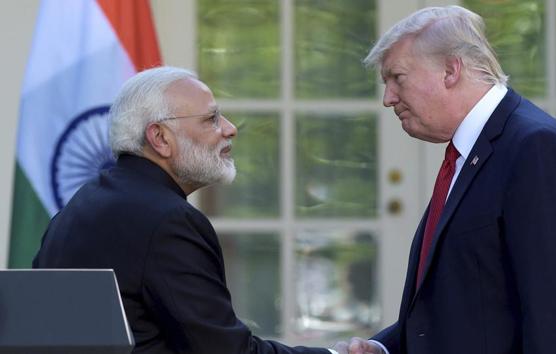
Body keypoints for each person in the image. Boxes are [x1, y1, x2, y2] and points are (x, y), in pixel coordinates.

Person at [335, 5, 556, 354]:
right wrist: (383, 349)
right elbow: (471, 308)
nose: (388, 98)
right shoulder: (470, 153)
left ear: (450, 70)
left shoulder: (536, 148)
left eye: (397, 78)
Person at [33, 66, 343, 354]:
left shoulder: (80, 205)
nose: (230, 129)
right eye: (211, 119)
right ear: (160, 138)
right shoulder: (169, 221)